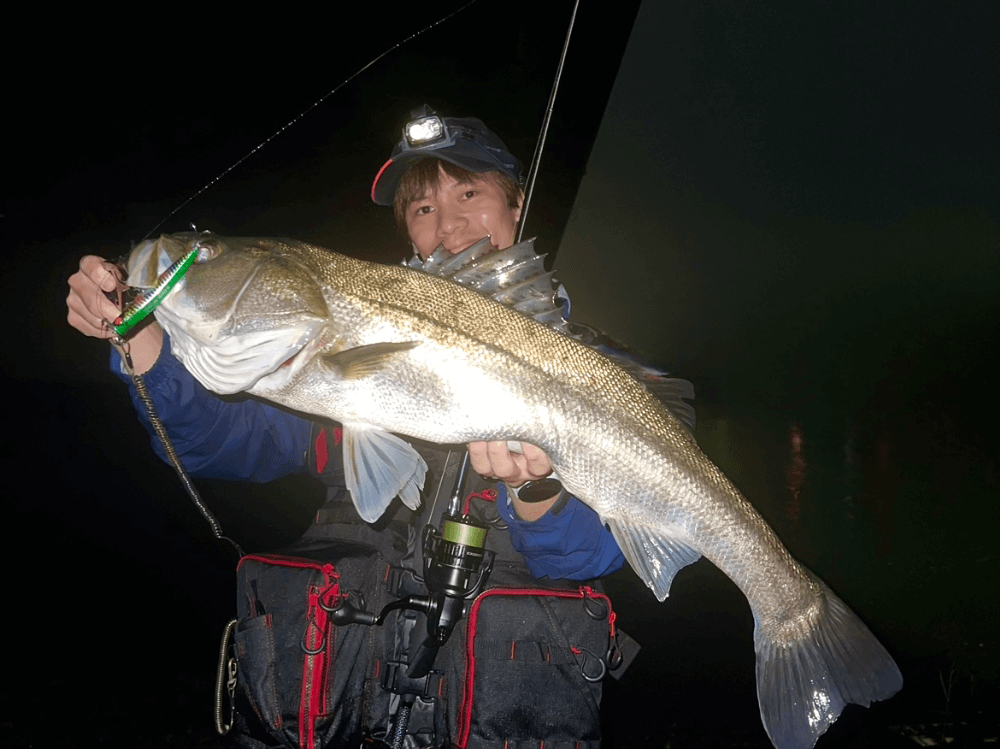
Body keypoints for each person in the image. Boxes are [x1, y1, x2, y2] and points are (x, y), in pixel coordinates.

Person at [66, 107, 645, 747]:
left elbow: (594, 555)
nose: (448, 224)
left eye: (470, 193)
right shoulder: (331, 345)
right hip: (348, 715)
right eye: (421, 208)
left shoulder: (597, 370)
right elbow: (221, 444)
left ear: (517, 206)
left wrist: (537, 492)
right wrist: (142, 342)